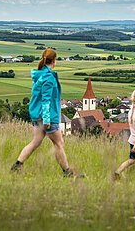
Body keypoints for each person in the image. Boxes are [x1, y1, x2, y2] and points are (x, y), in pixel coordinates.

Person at [11, 48, 82, 177]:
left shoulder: (40, 75)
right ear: (54, 61)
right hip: (47, 116)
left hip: (38, 115)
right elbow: (46, 101)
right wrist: (47, 120)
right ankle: (67, 173)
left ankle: (17, 165)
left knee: (36, 142)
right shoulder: (48, 78)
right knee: (59, 143)